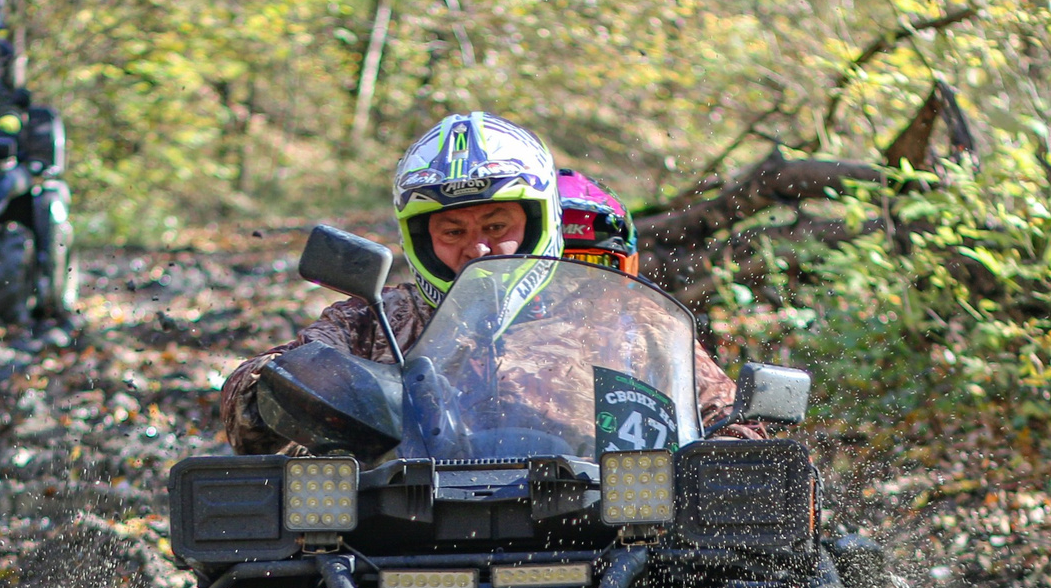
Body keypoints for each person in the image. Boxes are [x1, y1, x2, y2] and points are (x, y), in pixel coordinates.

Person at [218, 112, 744, 454]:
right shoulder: (373, 319)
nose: (478, 247)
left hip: (606, 542)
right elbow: (250, 404)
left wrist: (734, 449)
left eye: (497, 227)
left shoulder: (628, 321)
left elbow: (730, 427)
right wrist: (301, 385)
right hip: (395, 545)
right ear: (421, 238)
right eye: (452, 230)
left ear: (539, 224)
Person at [558, 169, 641, 276]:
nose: (572, 282)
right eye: (556, 269)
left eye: (596, 265)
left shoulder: (647, 292)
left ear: (631, 265)